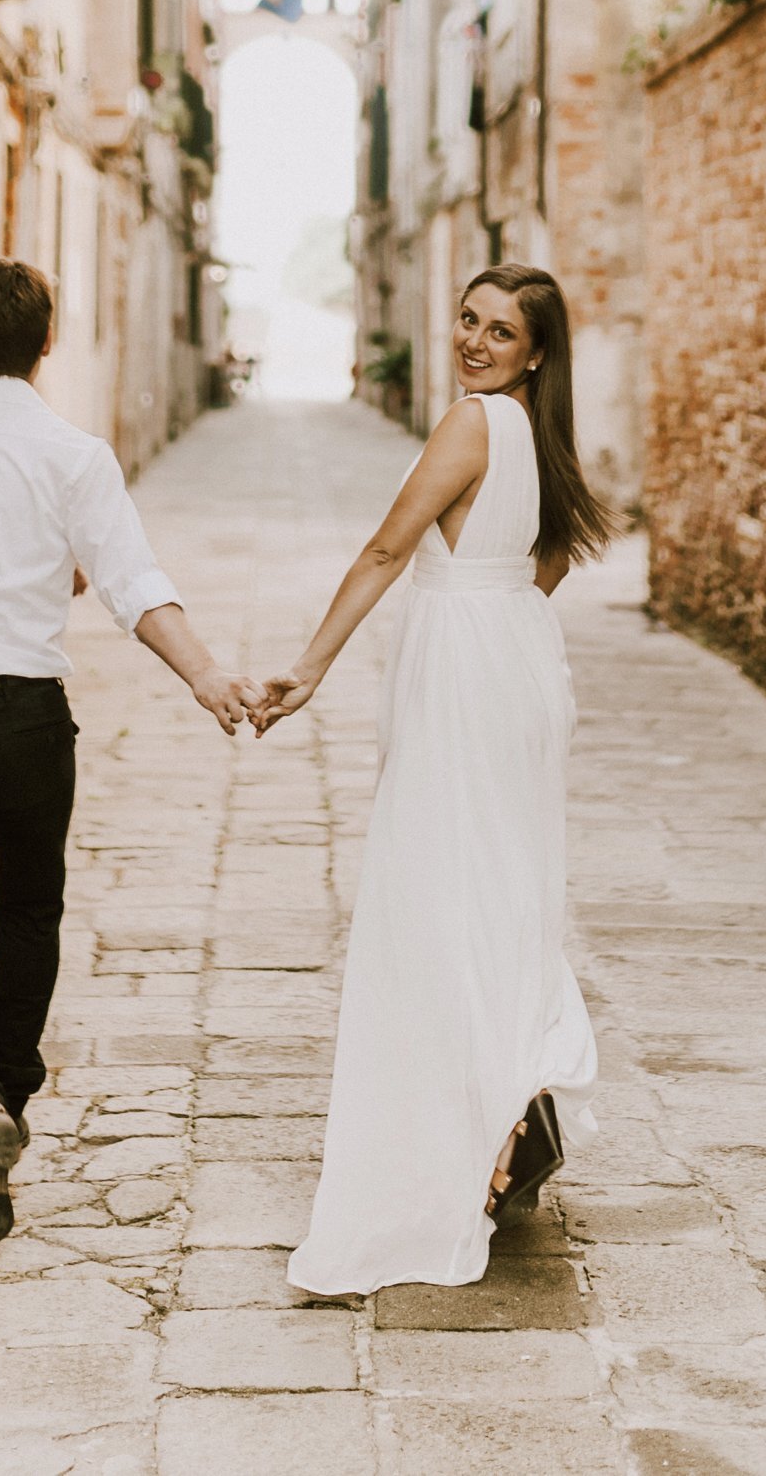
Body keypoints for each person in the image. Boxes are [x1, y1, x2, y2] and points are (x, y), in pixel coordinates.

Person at [0, 258, 255, 1251]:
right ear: (47, 344)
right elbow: (130, 581)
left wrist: (11, 573)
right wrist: (208, 678)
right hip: (32, 721)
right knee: (30, 914)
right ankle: (6, 1095)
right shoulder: (73, 456)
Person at [254, 263, 610, 1295]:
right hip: (515, 660)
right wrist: (487, 607)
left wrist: (310, 666)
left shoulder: (472, 424)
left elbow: (383, 549)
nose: (474, 341)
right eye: (467, 320)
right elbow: (542, 564)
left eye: (501, 331)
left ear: (533, 351)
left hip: (461, 673)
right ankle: (513, 1097)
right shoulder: (542, 437)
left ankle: (473, 1125)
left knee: (435, 896)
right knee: (502, 893)